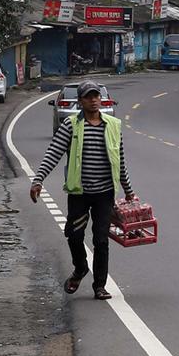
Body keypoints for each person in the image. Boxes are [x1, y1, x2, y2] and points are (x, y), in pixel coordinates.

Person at [30, 78, 134, 300]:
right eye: (89, 97)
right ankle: (80, 268)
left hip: (105, 194)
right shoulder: (71, 125)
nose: (94, 100)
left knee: (101, 240)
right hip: (80, 193)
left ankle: (100, 286)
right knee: (74, 235)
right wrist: (38, 180)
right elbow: (53, 153)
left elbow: (120, 161)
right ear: (81, 101)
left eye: (96, 96)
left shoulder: (113, 126)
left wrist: (129, 191)